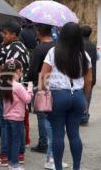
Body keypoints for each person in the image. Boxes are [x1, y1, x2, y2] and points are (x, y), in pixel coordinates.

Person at [39, 22, 92, 170]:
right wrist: (85, 99)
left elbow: (43, 76)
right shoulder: (84, 55)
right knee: (74, 134)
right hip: (77, 96)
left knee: (57, 134)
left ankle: (58, 167)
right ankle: (76, 167)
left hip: (58, 96)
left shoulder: (53, 52)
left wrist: (43, 93)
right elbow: (88, 80)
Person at [0, 21, 29, 166]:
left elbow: (2, 70)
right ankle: (19, 153)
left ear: (14, 34)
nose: (3, 36)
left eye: (5, 33)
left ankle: (4, 156)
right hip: (21, 89)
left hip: (8, 91)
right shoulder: (24, 48)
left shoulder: (8, 49)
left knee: (6, 124)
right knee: (19, 124)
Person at [0, 59, 33, 170]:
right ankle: (14, 164)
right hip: (17, 118)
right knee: (16, 141)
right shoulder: (18, 86)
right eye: (21, 71)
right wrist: (29, 89)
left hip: (7, 116)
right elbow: (27, 99)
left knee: (10, 140)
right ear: (17, 71)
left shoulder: (4, 84)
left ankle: (10, 162)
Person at [28, 23, 54, 154]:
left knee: (42, 116)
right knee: (54, 116)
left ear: (39, 32)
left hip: (41, 85)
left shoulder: (39, 49)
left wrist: (29, 82)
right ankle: (53, 141)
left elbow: (32, 71)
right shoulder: (57, 46)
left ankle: (44, 143)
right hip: (56, 85)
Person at [80, 25, 97, 125]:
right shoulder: (93, 45)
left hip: (79, 75)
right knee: (87, 96)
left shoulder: (77, 45)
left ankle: (78, 116)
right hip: (91, 75)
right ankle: (85, 117)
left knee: (78, 95)